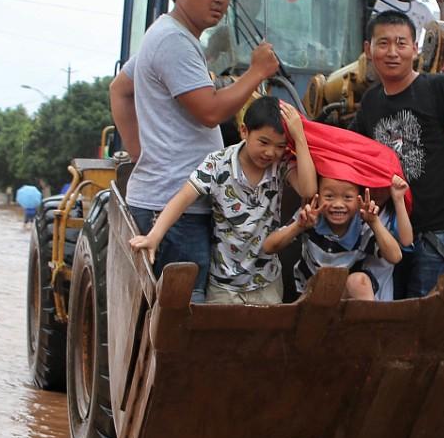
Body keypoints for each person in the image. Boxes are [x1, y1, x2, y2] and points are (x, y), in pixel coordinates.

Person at [111, 0, 280, 301]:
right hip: (177, 207)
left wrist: (142, 155)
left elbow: (119, 89)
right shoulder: (174, 41)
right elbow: (210, 111)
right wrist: (257, 72)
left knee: (165, 317)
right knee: (185, 318)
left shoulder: (167, 34)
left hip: (168, 197)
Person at [127, 97, 316, 306]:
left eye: (280, 146)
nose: (270, 152)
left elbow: (308, 190)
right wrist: (154, 236)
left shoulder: (280, 165)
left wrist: (299, 138)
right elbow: (182, 199)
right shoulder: (217, 164)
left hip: (267, 283)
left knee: (264, 339)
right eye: (263, 142)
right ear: (244, 131)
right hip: (223, 286)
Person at [352, 10, 444, 297]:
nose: (392, 52)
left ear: (415, 48)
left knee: (429, 324)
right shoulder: (371, 101)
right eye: (383, 43)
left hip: (440, 232)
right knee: (399, 317)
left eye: (401, 43)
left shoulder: (438, 87)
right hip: (394, 235)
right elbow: (351, 150)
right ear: (368, 50)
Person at [273, 173, 413, 300]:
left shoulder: (362, 226)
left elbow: (395, 256)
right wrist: (299, 226)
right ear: (317, 196)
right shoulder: (310, 218)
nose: (338, 204)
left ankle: (367, 326)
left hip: (346, 293)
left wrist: (374, 222)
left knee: (360, 282)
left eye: (347, 197)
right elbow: (269, 246)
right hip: (309, 292)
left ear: (359, 200)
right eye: (329, 196)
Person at [204, 0, 267, 76]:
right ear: (236, 4)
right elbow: (208, 64)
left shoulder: (267, 34)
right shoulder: (223, 34)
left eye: (255, 2)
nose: (250, 5)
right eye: (246, 0)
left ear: (260, 6)